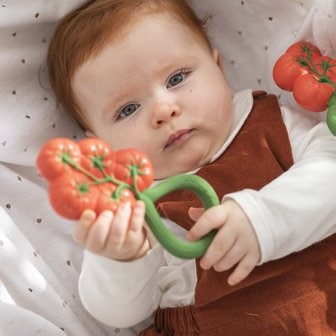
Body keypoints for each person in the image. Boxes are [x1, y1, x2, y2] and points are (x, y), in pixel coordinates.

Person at [47, 0, 336, 334]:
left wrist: (263, 219)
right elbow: (119, 315)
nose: (164, 109)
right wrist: (120, 259)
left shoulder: (270, 124)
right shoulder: (138, 204)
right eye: (127, 110)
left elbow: (330, 175)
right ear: (101, 144)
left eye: (177, 78)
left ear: (220, 70)